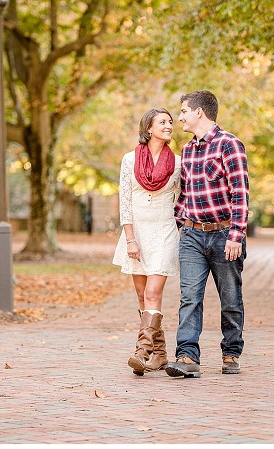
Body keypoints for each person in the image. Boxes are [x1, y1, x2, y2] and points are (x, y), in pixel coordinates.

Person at [165, 90, 249, 378]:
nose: (180, 117)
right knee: (189, 297)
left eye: (184, 111)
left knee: (230, 297)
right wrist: (180, 223)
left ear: (199, 112)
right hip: (192, 235)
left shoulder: (230, 145)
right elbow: (185, 194)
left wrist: (236, 235)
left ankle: (231, 351)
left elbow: (240, 193)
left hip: (224, 234)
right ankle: (187, 356)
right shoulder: (187, 150)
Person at [113, 108, 181, 375]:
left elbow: (183, 200)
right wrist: (130, 239)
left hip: (164, 231)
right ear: (149, 128)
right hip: (136, 233)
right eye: (162, 122)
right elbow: (125, 202)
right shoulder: (129, 160)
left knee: (153, 293)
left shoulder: (177, 163)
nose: (169, 125)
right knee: (143, 296)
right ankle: (161, 354)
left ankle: (141, 352)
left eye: (170, 122)